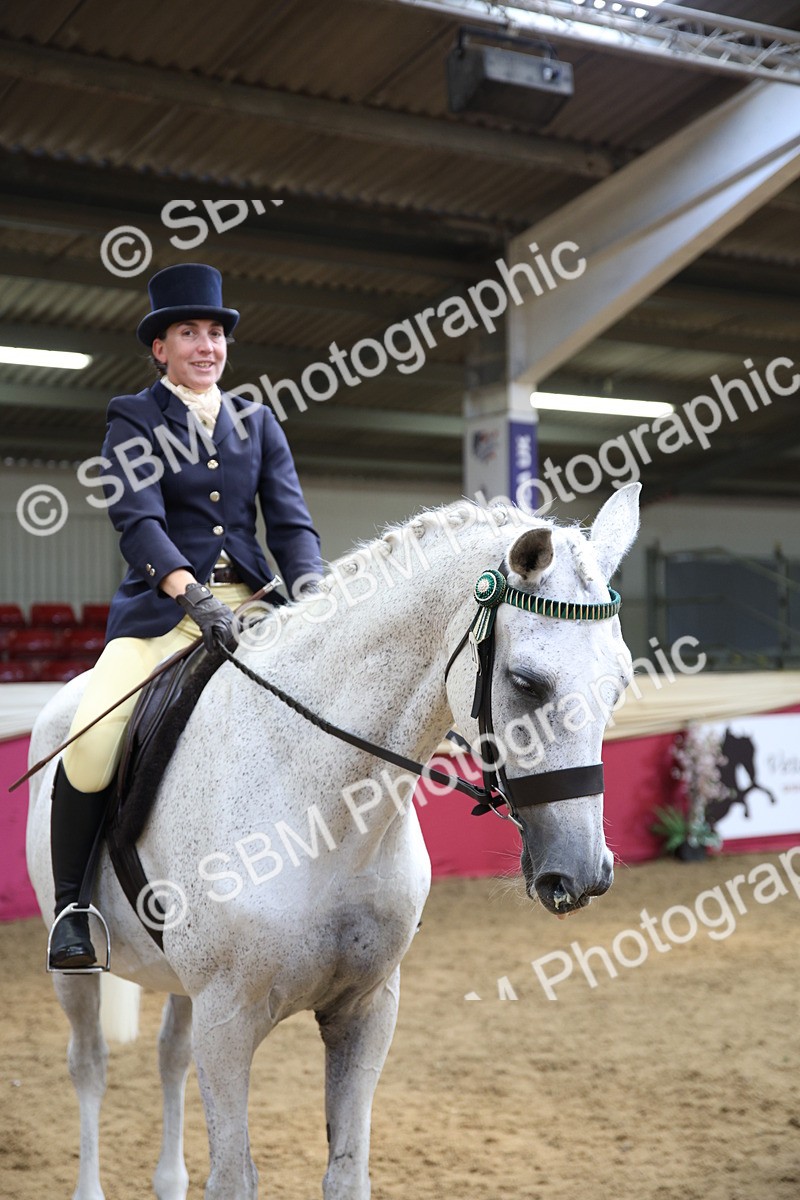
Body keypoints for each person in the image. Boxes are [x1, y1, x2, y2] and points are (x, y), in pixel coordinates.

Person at [48, 263, 322, 970]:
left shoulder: (258, 422)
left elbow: (290, 526)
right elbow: (136, 519)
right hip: (163, 613)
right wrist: (188, 591)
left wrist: (314, 591)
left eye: (215, 333)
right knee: (92, 732)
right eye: (188, 333)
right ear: (160, 348)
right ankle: (73, 907)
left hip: (257, 605)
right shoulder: (133, 417)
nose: (206, 345)